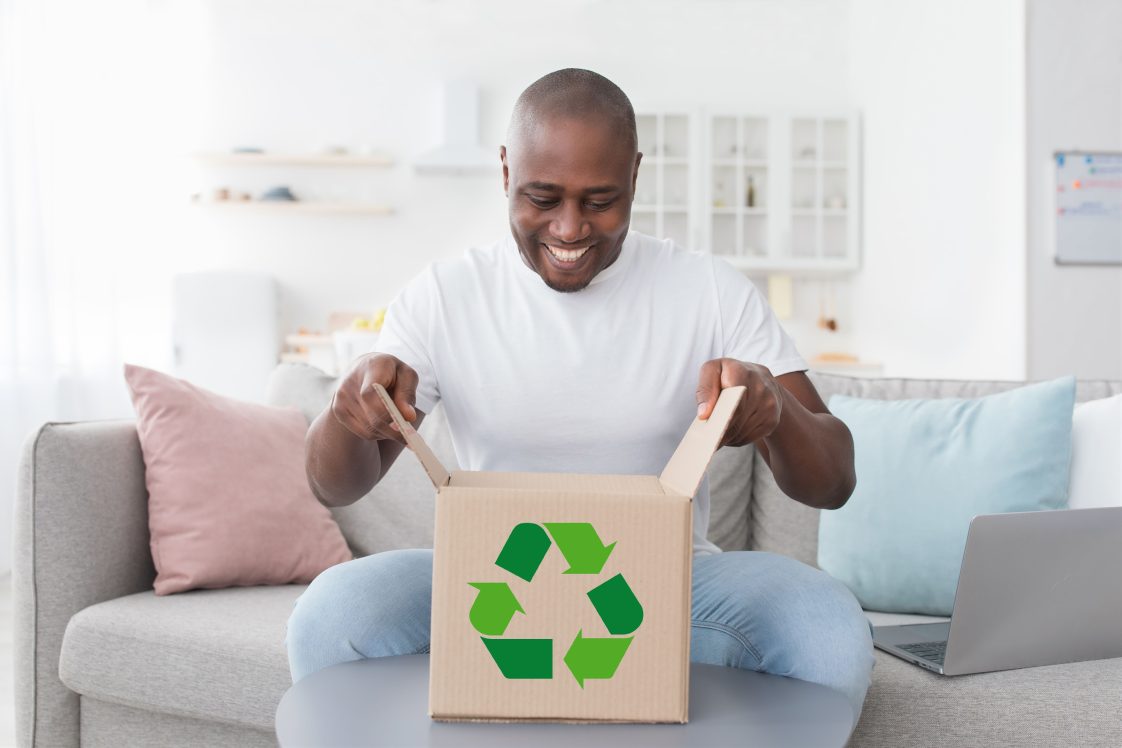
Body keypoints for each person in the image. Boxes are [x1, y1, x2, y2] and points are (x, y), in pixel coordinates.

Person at [288, 68, 874, 727]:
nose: (570, 229)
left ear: (635, 175)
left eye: (600, 201)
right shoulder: (446, 296)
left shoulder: (709, 291)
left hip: (670, 581)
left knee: (828, 630)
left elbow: (834, 481)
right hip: (495, 579)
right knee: (332, 616)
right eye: (543, 197)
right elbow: (333, 485)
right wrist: (349, 409)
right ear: (505, 171)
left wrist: (775, 412)